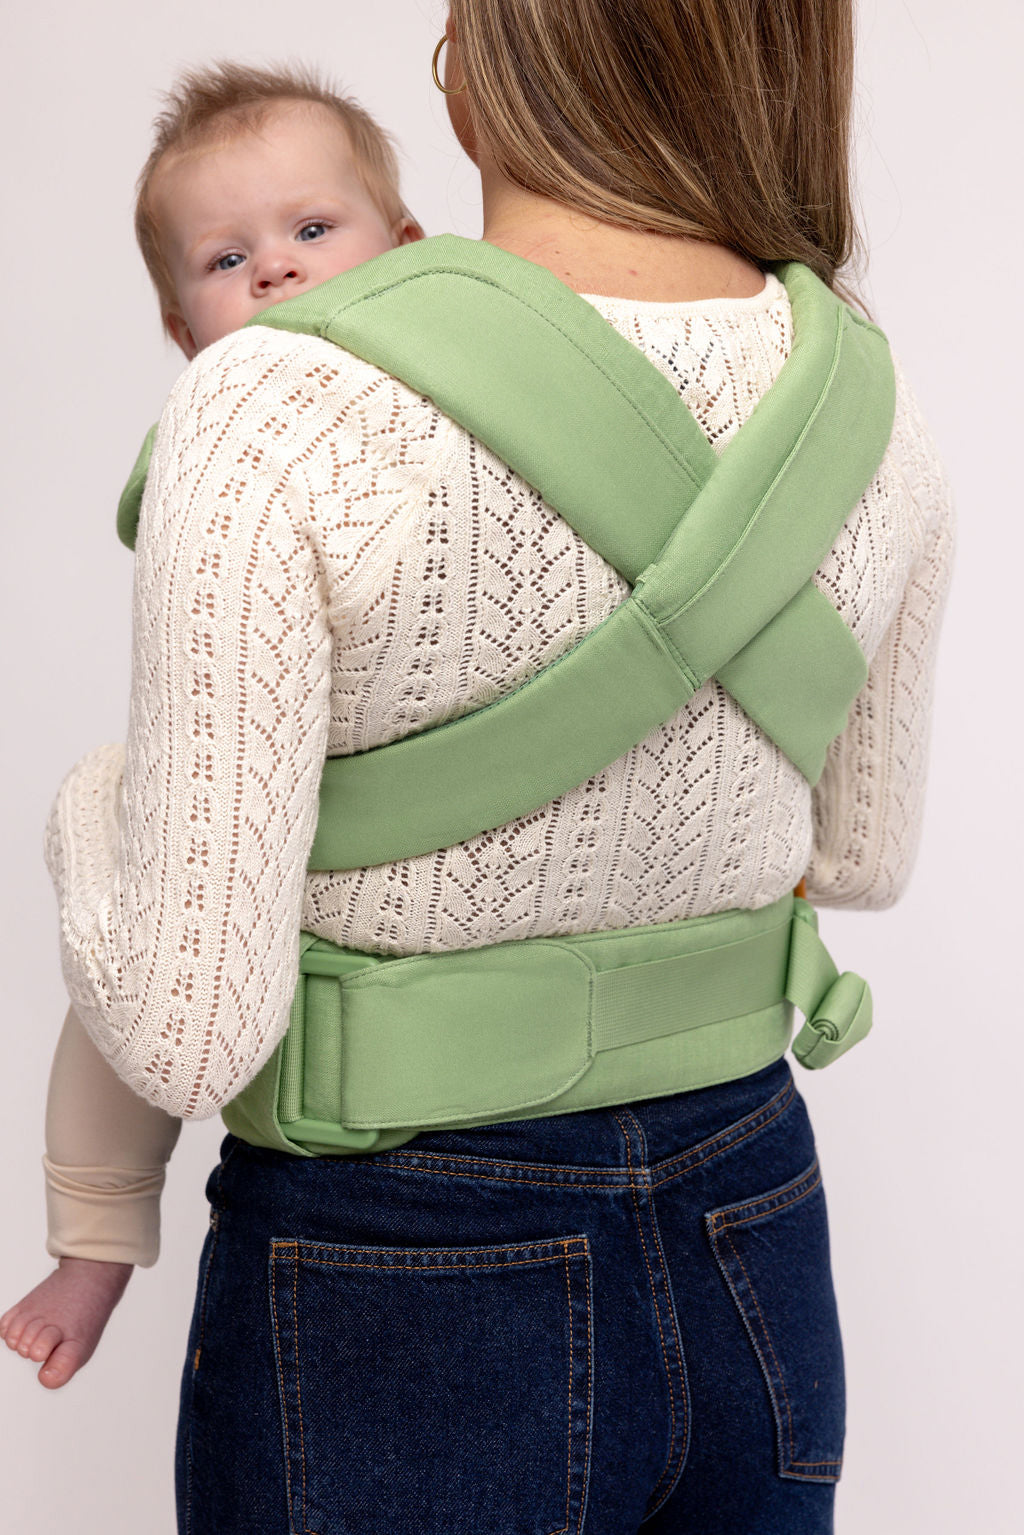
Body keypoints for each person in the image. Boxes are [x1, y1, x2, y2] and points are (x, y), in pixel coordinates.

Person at [19, 2, 955, 1529]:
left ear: (476, 71)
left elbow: (187, 1038)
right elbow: (858, 857)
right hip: (751, 1218)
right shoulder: (868, 397)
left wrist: (87, 811)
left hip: (400, 1249)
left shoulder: (268, 400)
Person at [0, 61, 423, 1391]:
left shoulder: (465, 404)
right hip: (250, 829)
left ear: (410, 249)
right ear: (185, 331)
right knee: (132, 987)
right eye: (228, 258)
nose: (277, 269)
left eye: (313, 228)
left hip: (411, 839)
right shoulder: (216, 453)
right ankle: (93, 1241)